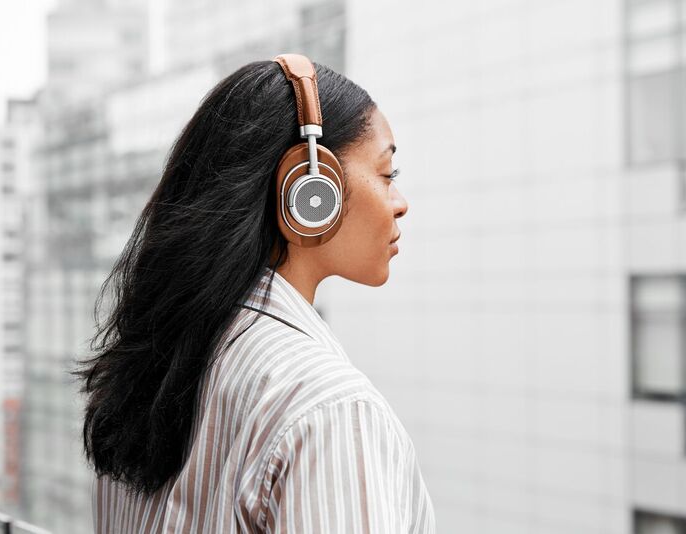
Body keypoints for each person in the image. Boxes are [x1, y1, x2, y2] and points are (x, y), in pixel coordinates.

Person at [74, 53, 436, 533]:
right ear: (311, 189)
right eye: (387, 174)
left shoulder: (156, 369)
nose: (401, 203)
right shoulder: (330, 410)